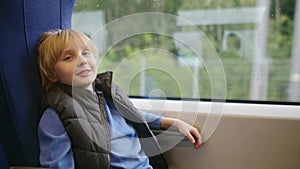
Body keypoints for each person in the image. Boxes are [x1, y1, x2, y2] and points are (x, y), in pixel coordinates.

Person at [37, 29, 202, 169]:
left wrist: (173, 123)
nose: (82, 61)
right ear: (52, 74)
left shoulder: (106, 94)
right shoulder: (56, 115)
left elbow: (134, 115)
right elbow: (57, 164)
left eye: (86, 53)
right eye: (68, 58)